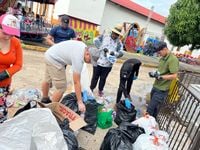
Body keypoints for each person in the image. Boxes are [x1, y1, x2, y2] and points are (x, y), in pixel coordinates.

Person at [41, 40, 95, 112]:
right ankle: (49, 110)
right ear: (88, 54)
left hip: (49, 54)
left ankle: (45, 99)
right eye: (90, 61)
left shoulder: (83, 46)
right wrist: (80, 102)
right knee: (61, 87)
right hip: (54, 60)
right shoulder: (78, 59)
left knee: (47, 79)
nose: (90, 63)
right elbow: (76, 82)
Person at [147, 41, 179, 118]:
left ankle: (145, 127)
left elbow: (174, 75)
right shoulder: (163, 58)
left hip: (162, 89)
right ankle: (152, 124)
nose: (159, 54)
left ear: (165, 49)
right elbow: (161, 71)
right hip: (156, 86)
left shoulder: (173, 59)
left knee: (149, 110)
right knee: (154, 109)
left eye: (159, 52)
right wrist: (155, 74)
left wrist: (161, 77)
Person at [90, 25, 124, 97]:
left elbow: (122, 52)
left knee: (103, 78)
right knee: (95, 77)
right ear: (112, 32)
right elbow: (95, 40)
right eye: (114, 33)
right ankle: (91, 88)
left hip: (108, 64)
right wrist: (102, 47)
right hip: (98, 61)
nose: (115, 35)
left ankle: (100, 90)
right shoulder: (105, 37)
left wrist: (114, 53)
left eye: (117, 34)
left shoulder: (119, 43)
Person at [0, 14, 23, 122]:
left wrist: (5, 74)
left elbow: (18, 65)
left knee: (1, 112)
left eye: (11, 34)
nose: (7, 37)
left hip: (4, 83)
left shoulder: (15, 43)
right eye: (5, 33)